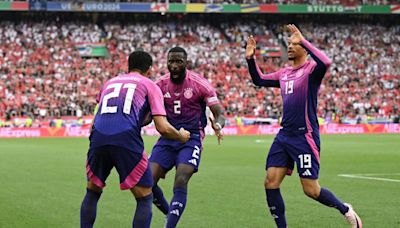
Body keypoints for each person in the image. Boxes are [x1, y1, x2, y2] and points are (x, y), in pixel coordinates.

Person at [245, 24, 362, 228]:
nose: (289, 46)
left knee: (311, 190)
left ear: (304, 49)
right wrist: (250, 59)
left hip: (304, 137)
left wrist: (303, 39)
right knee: (270, 182)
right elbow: (259, 80)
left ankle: (346, 210)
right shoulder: (284, 73)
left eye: (294, 44)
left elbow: (326, 61)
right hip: (284, 136)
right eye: (288, 44)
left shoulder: (311, 71)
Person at [80, 50, 191, 228]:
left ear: (128, 66)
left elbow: (95, 121)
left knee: (92, 192)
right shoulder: (149, 84)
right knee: (145, 197)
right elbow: (162, 127)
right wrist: (181, 136)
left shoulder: (110, 82)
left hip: (98, 138)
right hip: (126, 139)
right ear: (149, 70)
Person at [149, 47, 226, 228]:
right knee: (147, 182)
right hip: (168, 138)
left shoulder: (199, 84)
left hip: (191, 139)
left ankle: (170, 225)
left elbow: (219, 113)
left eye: (178, 62)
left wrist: (218, 124)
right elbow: (147, 112)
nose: (174, 66)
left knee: (181, 178)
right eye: (171, 62)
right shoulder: (159, 85)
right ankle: (170, 214)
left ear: (187, 63)